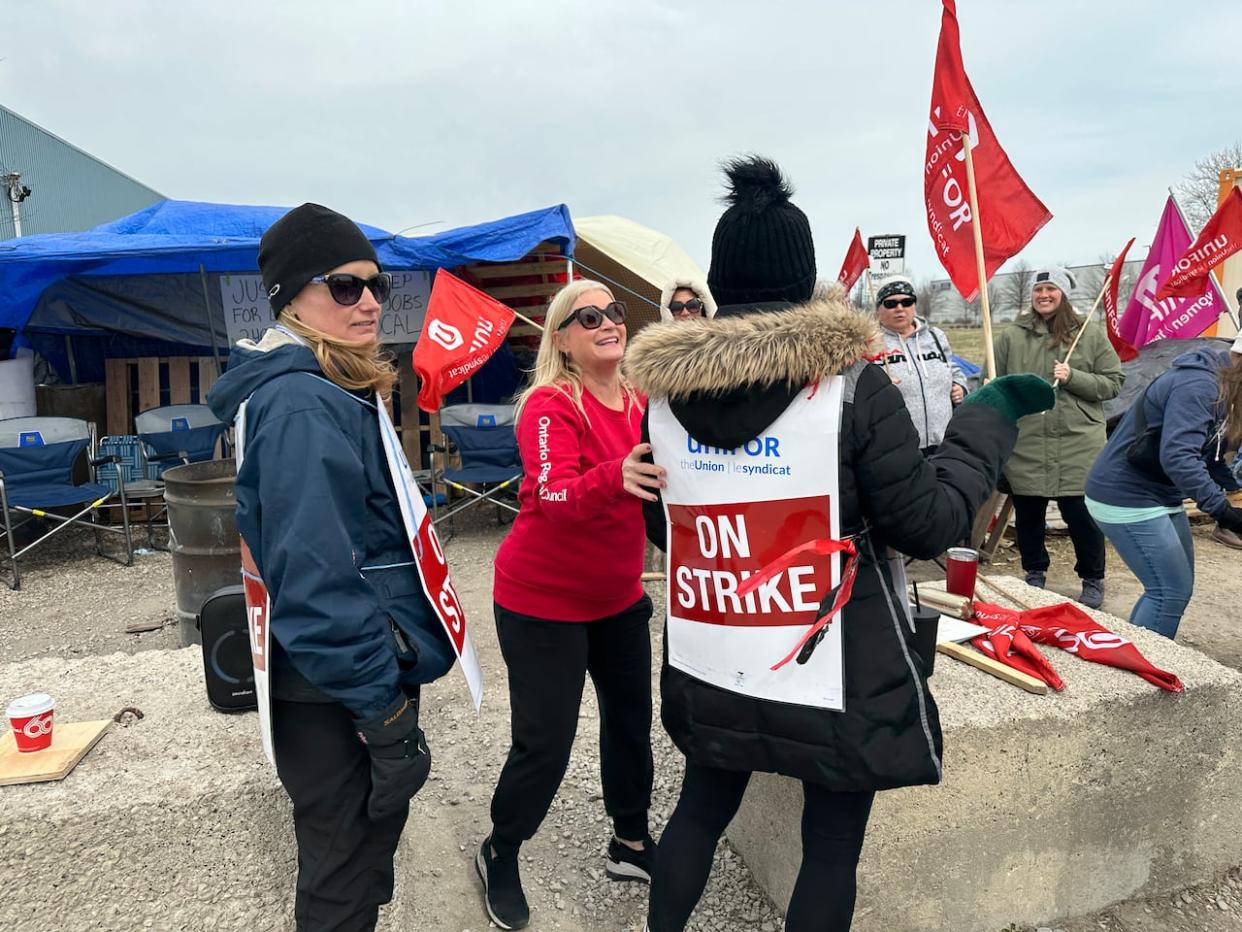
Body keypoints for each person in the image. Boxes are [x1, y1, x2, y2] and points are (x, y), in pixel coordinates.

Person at [626, 155, 1055, 932]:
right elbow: (927, 526)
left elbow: (671, 529)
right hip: (833, 661)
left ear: (723, 279)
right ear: (804, 275)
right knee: (828, 849)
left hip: (718, 653)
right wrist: (984, 424)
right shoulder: (853, 385)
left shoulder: (660, 397)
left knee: (696, 816)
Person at [207, 203, 456, 932]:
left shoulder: (326, 387)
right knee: (341, 875)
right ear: (292, 297)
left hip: (335, 672)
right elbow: (317, 581)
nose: (370, 301)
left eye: (376, 284)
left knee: (354, 863)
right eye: (344, 286)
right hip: (333, 685)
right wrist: (381, 712)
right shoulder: (301, 404)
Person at [475, 279, 665, 930]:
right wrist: (616, 475)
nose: (609, 320)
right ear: (562, 339)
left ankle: (631, 843)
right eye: (590, 316)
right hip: (540, 601)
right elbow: (550, 497)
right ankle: (500, 850)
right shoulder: (551, 405)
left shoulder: (642, 401)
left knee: (631, 722)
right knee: (546, 743)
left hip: (617, 599)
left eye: (615, 312)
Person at [1084, 336, 1242, 638]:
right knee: (1168, 591)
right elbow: (1179, 457)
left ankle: (1141, 655)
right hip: (1124, 494)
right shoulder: (1199, 386)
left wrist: (1234, 492)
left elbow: (1212, 452)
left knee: (1175, 587)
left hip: (1161, 492)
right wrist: (1222, 510)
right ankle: (1145, 672)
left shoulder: (1228, 387)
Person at [993, 268, 1123, 609]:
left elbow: (1113, 383)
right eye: (1039, 289)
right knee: (1029, 515)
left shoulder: (1090, 334)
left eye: (1051, 289)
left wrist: (1073, 377)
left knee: (1081, 516)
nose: (1043, 295)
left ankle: (1092, 577)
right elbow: (991, 383)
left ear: (1063, 294)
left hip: (1078, 442)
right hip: (1029, 439)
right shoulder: (1011, 336)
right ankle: (1034, 572)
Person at [872, 277, 967, 454]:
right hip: (898, 446)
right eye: (891, 303)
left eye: (906, 302)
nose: (900, 308)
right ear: (879, 310)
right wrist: (878, 385)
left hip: (944, 441)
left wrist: (960, 386)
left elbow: (953, 368)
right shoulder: (870, 343)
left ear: (914, 306)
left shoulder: (935, 336)